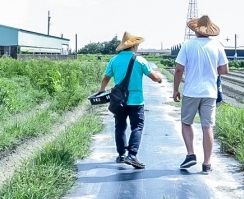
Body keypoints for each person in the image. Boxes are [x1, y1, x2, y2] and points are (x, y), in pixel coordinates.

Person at [95, 32, 165, 169]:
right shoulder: (140, 60)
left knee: (120, 127)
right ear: (134, 46)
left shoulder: (114, 60)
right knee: (137, 127)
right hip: (136, 101)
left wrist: (101, 90)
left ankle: (121, 155)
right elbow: (154, 77)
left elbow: (105, 78)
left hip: (118, 100)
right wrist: (160, 79)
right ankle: (132, 155)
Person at [173, 15, 229, 174]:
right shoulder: (217, 46)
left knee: (186, 123)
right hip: (210, 92)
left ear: (195, 30)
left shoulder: (187, 45)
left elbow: (178, 69)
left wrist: (175, 89)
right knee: (207, 127)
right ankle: (207, 164)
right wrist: (212, 71)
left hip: (191, 91)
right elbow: (225, 70)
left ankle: (191, 154)